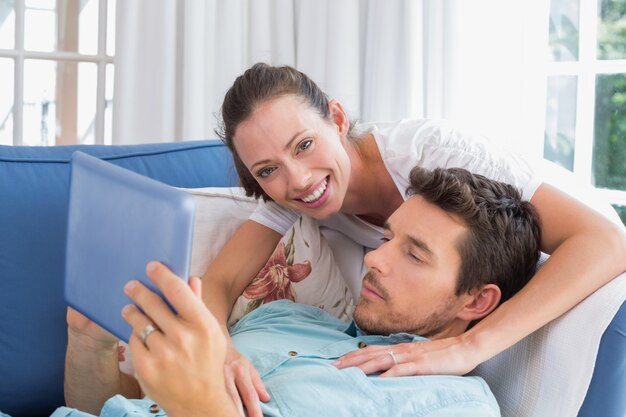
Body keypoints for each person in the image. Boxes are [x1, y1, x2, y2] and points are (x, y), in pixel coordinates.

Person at [202, 63, 626, 416]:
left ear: (337, 118)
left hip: (559, 253)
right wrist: (218, 351)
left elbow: (606, 241)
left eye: (305, 144)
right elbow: (216, 284)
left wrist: (468, 347)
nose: (297, 178)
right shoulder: (294, 193)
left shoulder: (433, 155)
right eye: (267, 170)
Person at [60, 166, 541, 417]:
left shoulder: (455, 405)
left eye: (414, 255)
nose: (375, 258)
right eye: (388, 239)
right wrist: (90, 344)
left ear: (476, 300)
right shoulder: (282, 316)